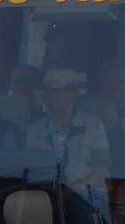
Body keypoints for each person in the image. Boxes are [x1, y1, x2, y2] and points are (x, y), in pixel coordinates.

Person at [24, 68, 111, 200]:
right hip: (46, 200)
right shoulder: (32, 131)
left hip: (88, 200)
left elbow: (101, 173)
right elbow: (29, 175)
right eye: (49, 90)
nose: (53, 95)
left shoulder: (95, 126)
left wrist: (73, 189)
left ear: (75, 93)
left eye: (61, 90)